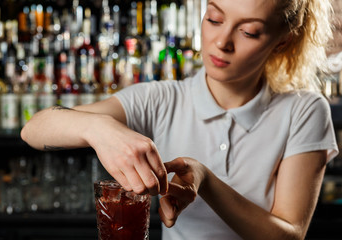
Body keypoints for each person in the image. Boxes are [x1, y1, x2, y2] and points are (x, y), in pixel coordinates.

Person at [21, 0, 338, 239]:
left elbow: (289, 233)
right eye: (214, 19)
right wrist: (97, 127)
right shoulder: (160, 99)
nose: (221, 42)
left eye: (248, 32)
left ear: (282, 40)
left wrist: (206, 181)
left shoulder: (303, 110)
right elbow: (34, 128)